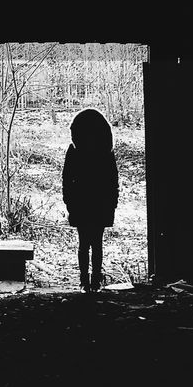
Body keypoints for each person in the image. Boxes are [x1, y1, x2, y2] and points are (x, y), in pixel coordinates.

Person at [62, 108, 119, 291]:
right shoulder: (106, 152)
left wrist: (69, 202)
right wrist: (112, 203)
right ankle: (94, 281)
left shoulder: (74, 150)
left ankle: (85, 281)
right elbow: (113, 181)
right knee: (96, 243)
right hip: (99, 203)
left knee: (84, 243)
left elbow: (66, 179)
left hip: (81, 202)